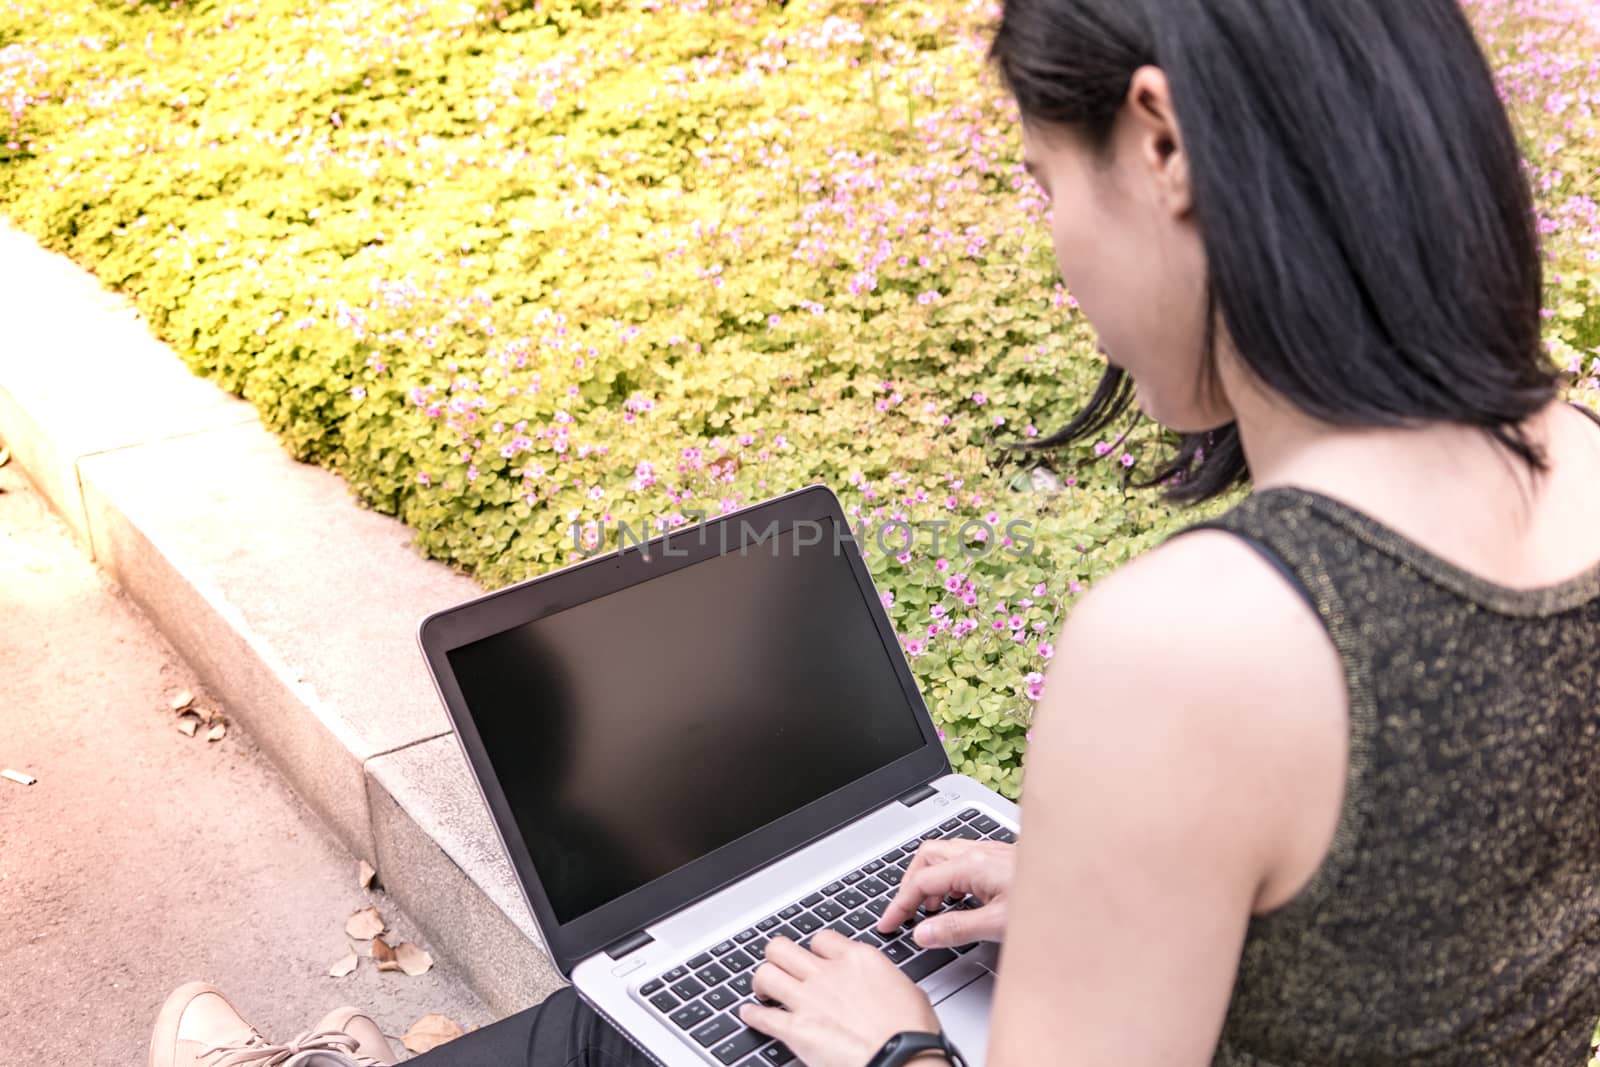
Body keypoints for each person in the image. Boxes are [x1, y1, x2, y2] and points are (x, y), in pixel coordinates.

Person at [151, 0, 1600, 1063]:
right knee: (612, 1027)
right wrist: (1127, 896)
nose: (1053, 261)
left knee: (685, 1027)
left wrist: (894, 1052)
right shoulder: (1581, 460)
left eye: (1041, 182)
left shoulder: (1211, 644)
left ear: (1161, 141)